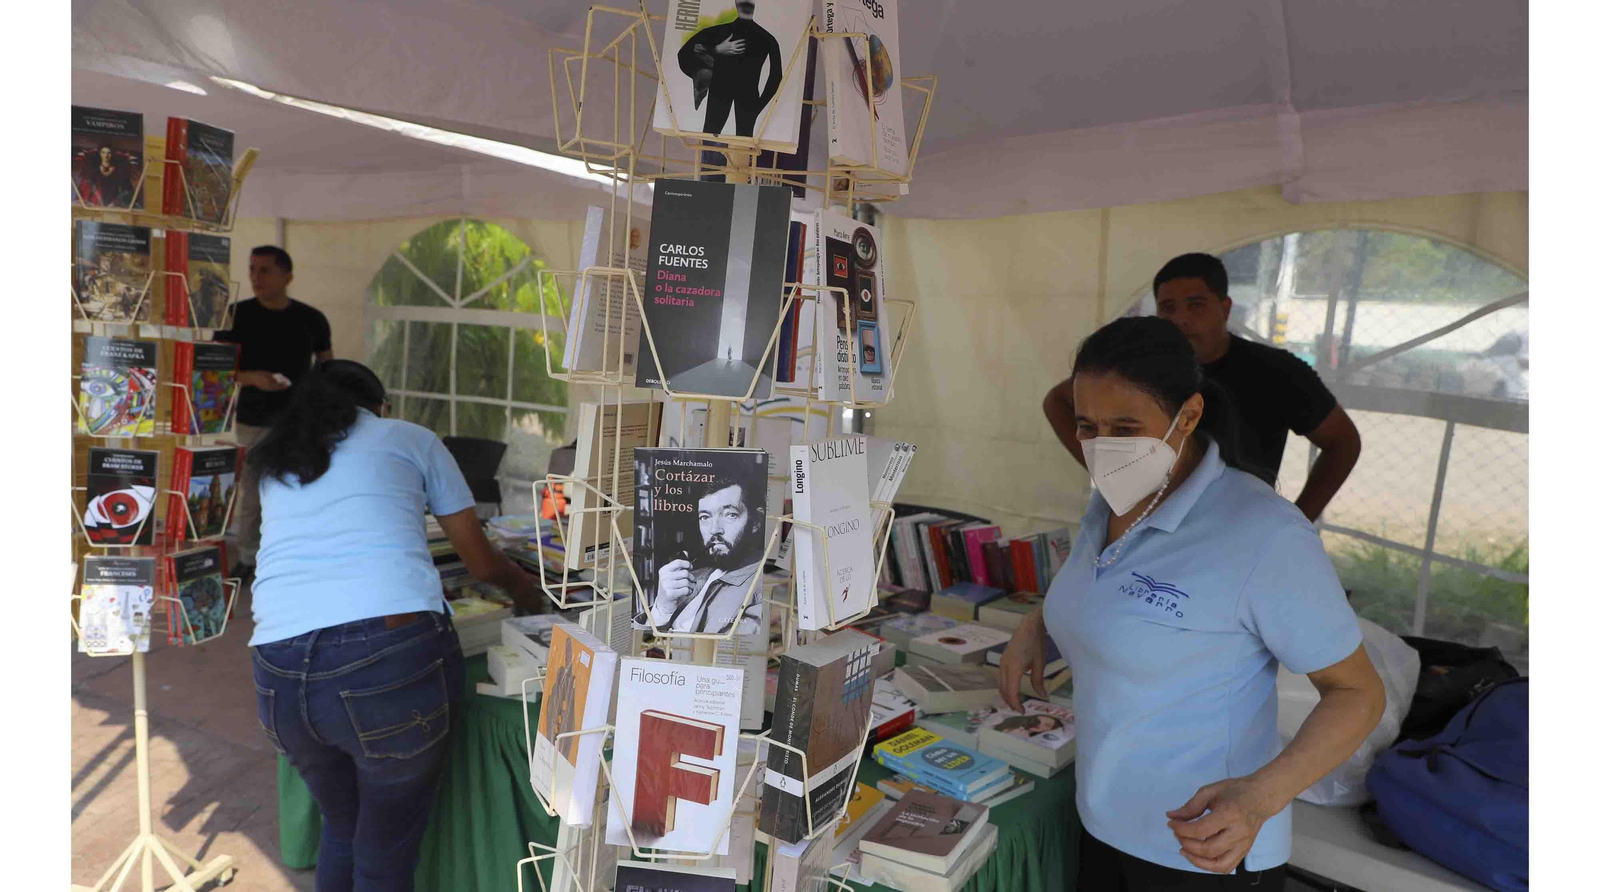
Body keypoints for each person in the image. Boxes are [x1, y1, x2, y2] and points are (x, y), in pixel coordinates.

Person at [1002, 317, 1384, 891]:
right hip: (1104, 820)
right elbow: (1109, 586)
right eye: (1087, 426)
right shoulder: (1111, 499)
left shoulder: (1262, 535)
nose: (1103, 447)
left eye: (1126, 426)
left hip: (1204, 849)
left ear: (1188, 415)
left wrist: (1262, 797)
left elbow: (1358, 693)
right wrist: (1045, 620)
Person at [249, 359, 542, 892]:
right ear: (380, 406)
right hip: (384, 658)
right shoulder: (408, 437)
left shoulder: (279, 459)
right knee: (384, 849)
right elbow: (479, 563)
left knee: (343, 826)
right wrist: (525, 589)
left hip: (278, 670)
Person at [1043, 253, 1362, 521]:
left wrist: (1298, 519)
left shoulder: (1276, 371)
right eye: (1168, 307)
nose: (1181, 318)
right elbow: (1057, 400)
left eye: (1195, 305)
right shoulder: (1141, 370)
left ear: (1225, 307)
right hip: (1149, 515)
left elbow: (1343, 442)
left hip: (1237, 521)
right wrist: (1105, 466)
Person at [215, 245, 334, 576]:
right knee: (253, 492)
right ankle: (249, 559)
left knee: (300, 488)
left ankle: (297, 555)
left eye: (265, 270)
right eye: (252, 269)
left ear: (288, 276)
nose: (256, 277)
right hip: (254, 419)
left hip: (301, 421)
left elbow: (328, 367)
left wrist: (319, 402)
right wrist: (252, 378)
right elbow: (213, 370)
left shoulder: (311, 319)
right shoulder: (235, 315)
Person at [636, 473, 764, 635]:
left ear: (756, 522)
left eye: (730, 515)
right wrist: (662, 607)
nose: (714, 529)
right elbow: (641, 646)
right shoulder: (694, 575)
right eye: (705, 517)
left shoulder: (760, 588)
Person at [676, 1, 783, 138]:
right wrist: (716, 49)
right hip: (740, 97)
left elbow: (776, 76)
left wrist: (758, 107)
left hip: (730, 95)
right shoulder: (767, 38)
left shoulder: (718, 32)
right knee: (725, 139)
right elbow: (684, 53)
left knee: (716, 138)